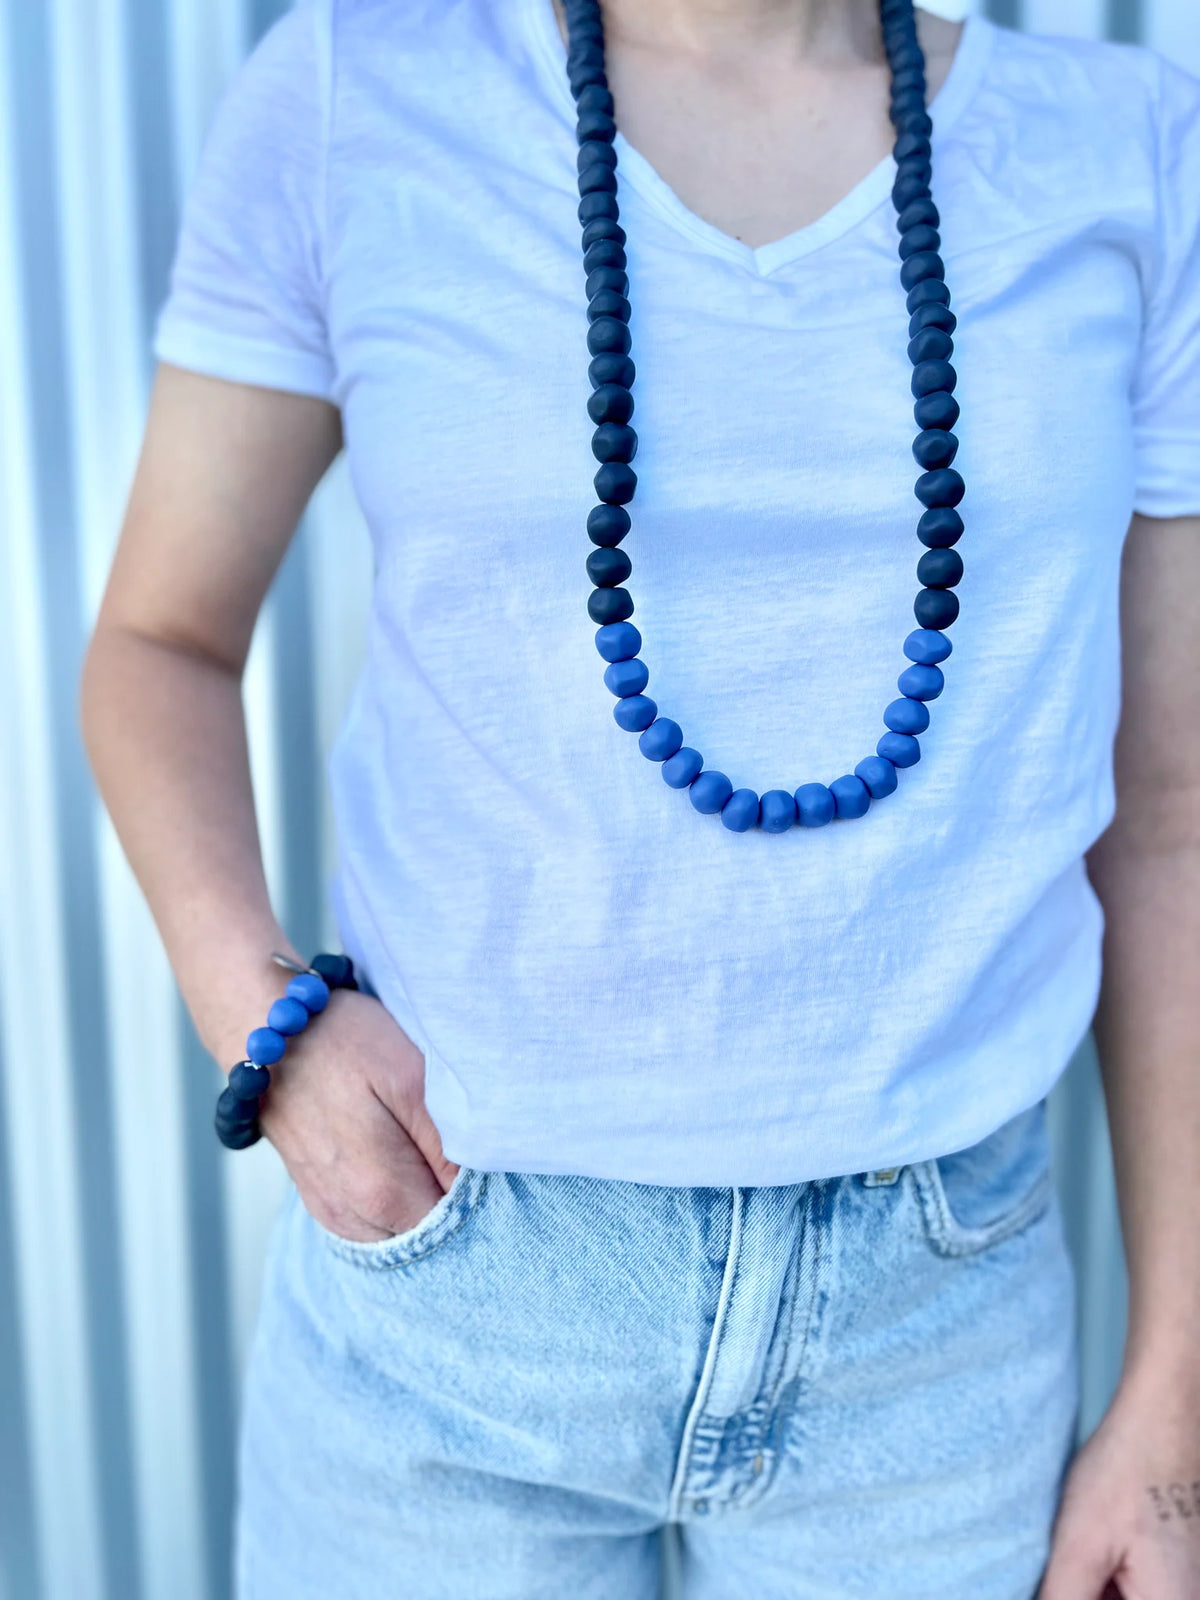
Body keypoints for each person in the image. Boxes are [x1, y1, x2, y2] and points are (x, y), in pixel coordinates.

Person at [79, 0, 1200, 1593]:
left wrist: (1178, 1397)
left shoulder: (1131, 151)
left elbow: (1169, 814)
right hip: (456, 1282)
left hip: (936, 1345)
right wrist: (264, 1023)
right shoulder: (353, 94)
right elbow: (156, 642)